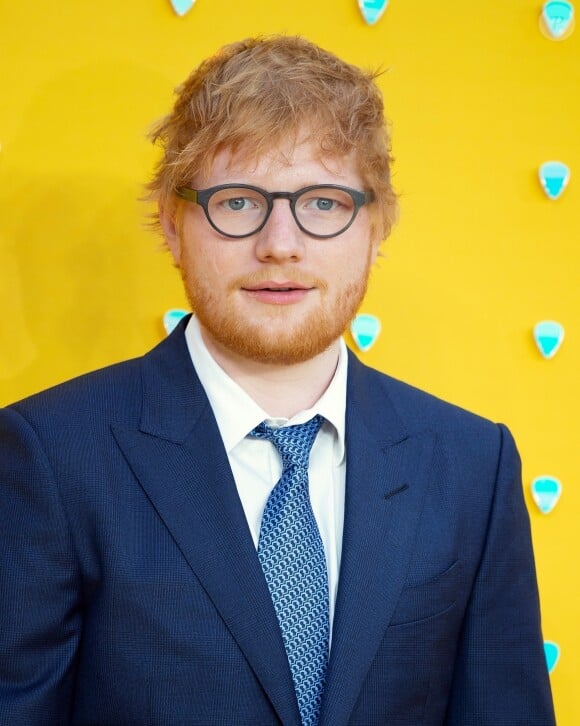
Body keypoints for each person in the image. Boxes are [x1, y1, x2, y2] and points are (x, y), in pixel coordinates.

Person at [0, 35, 555, 726]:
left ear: (377, 227)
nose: (280, 244)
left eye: (323, 204)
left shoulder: (474, 463)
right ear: (173, 225)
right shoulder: (47, 456)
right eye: (236, 203)